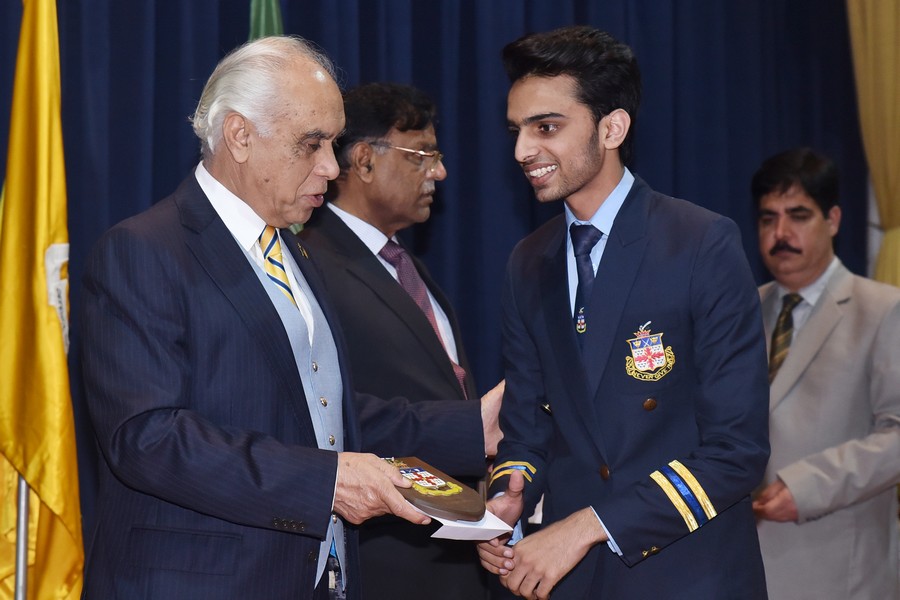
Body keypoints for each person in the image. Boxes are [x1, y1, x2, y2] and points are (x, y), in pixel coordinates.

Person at [78, 36, 500, 600]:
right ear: (239, 135)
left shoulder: (293, 249)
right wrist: (327, 483)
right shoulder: (144, 250)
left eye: (334, 143)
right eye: (312, 143)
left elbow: (319, 411)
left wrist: (472, 427)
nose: (331, 166)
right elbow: (146, 438)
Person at [476, 26, 770, 599]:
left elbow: (737, 452)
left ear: (612, 128)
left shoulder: (699, 244)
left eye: (546, 127)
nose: (522, 151)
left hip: (688, 574)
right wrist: (510, 496)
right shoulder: (527, 261)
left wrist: (587, 527)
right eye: (517, 131)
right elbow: (528, 428)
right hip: (573, 578)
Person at [300, 82, 497, 600]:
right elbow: (321, 413)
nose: (439, 172)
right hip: (381, 560)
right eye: (423, 155)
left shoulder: (405, 265)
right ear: (364, 161)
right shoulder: (307, 265)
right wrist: (471, 427)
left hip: (450, 557)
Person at [751, 147, 900, 600]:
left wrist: (808, 487)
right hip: (745, 567)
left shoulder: (883, 309)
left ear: (833, 220)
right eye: (768, 219)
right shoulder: (741, 310)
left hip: (840, 570)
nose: (780, 234)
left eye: (798, 216)